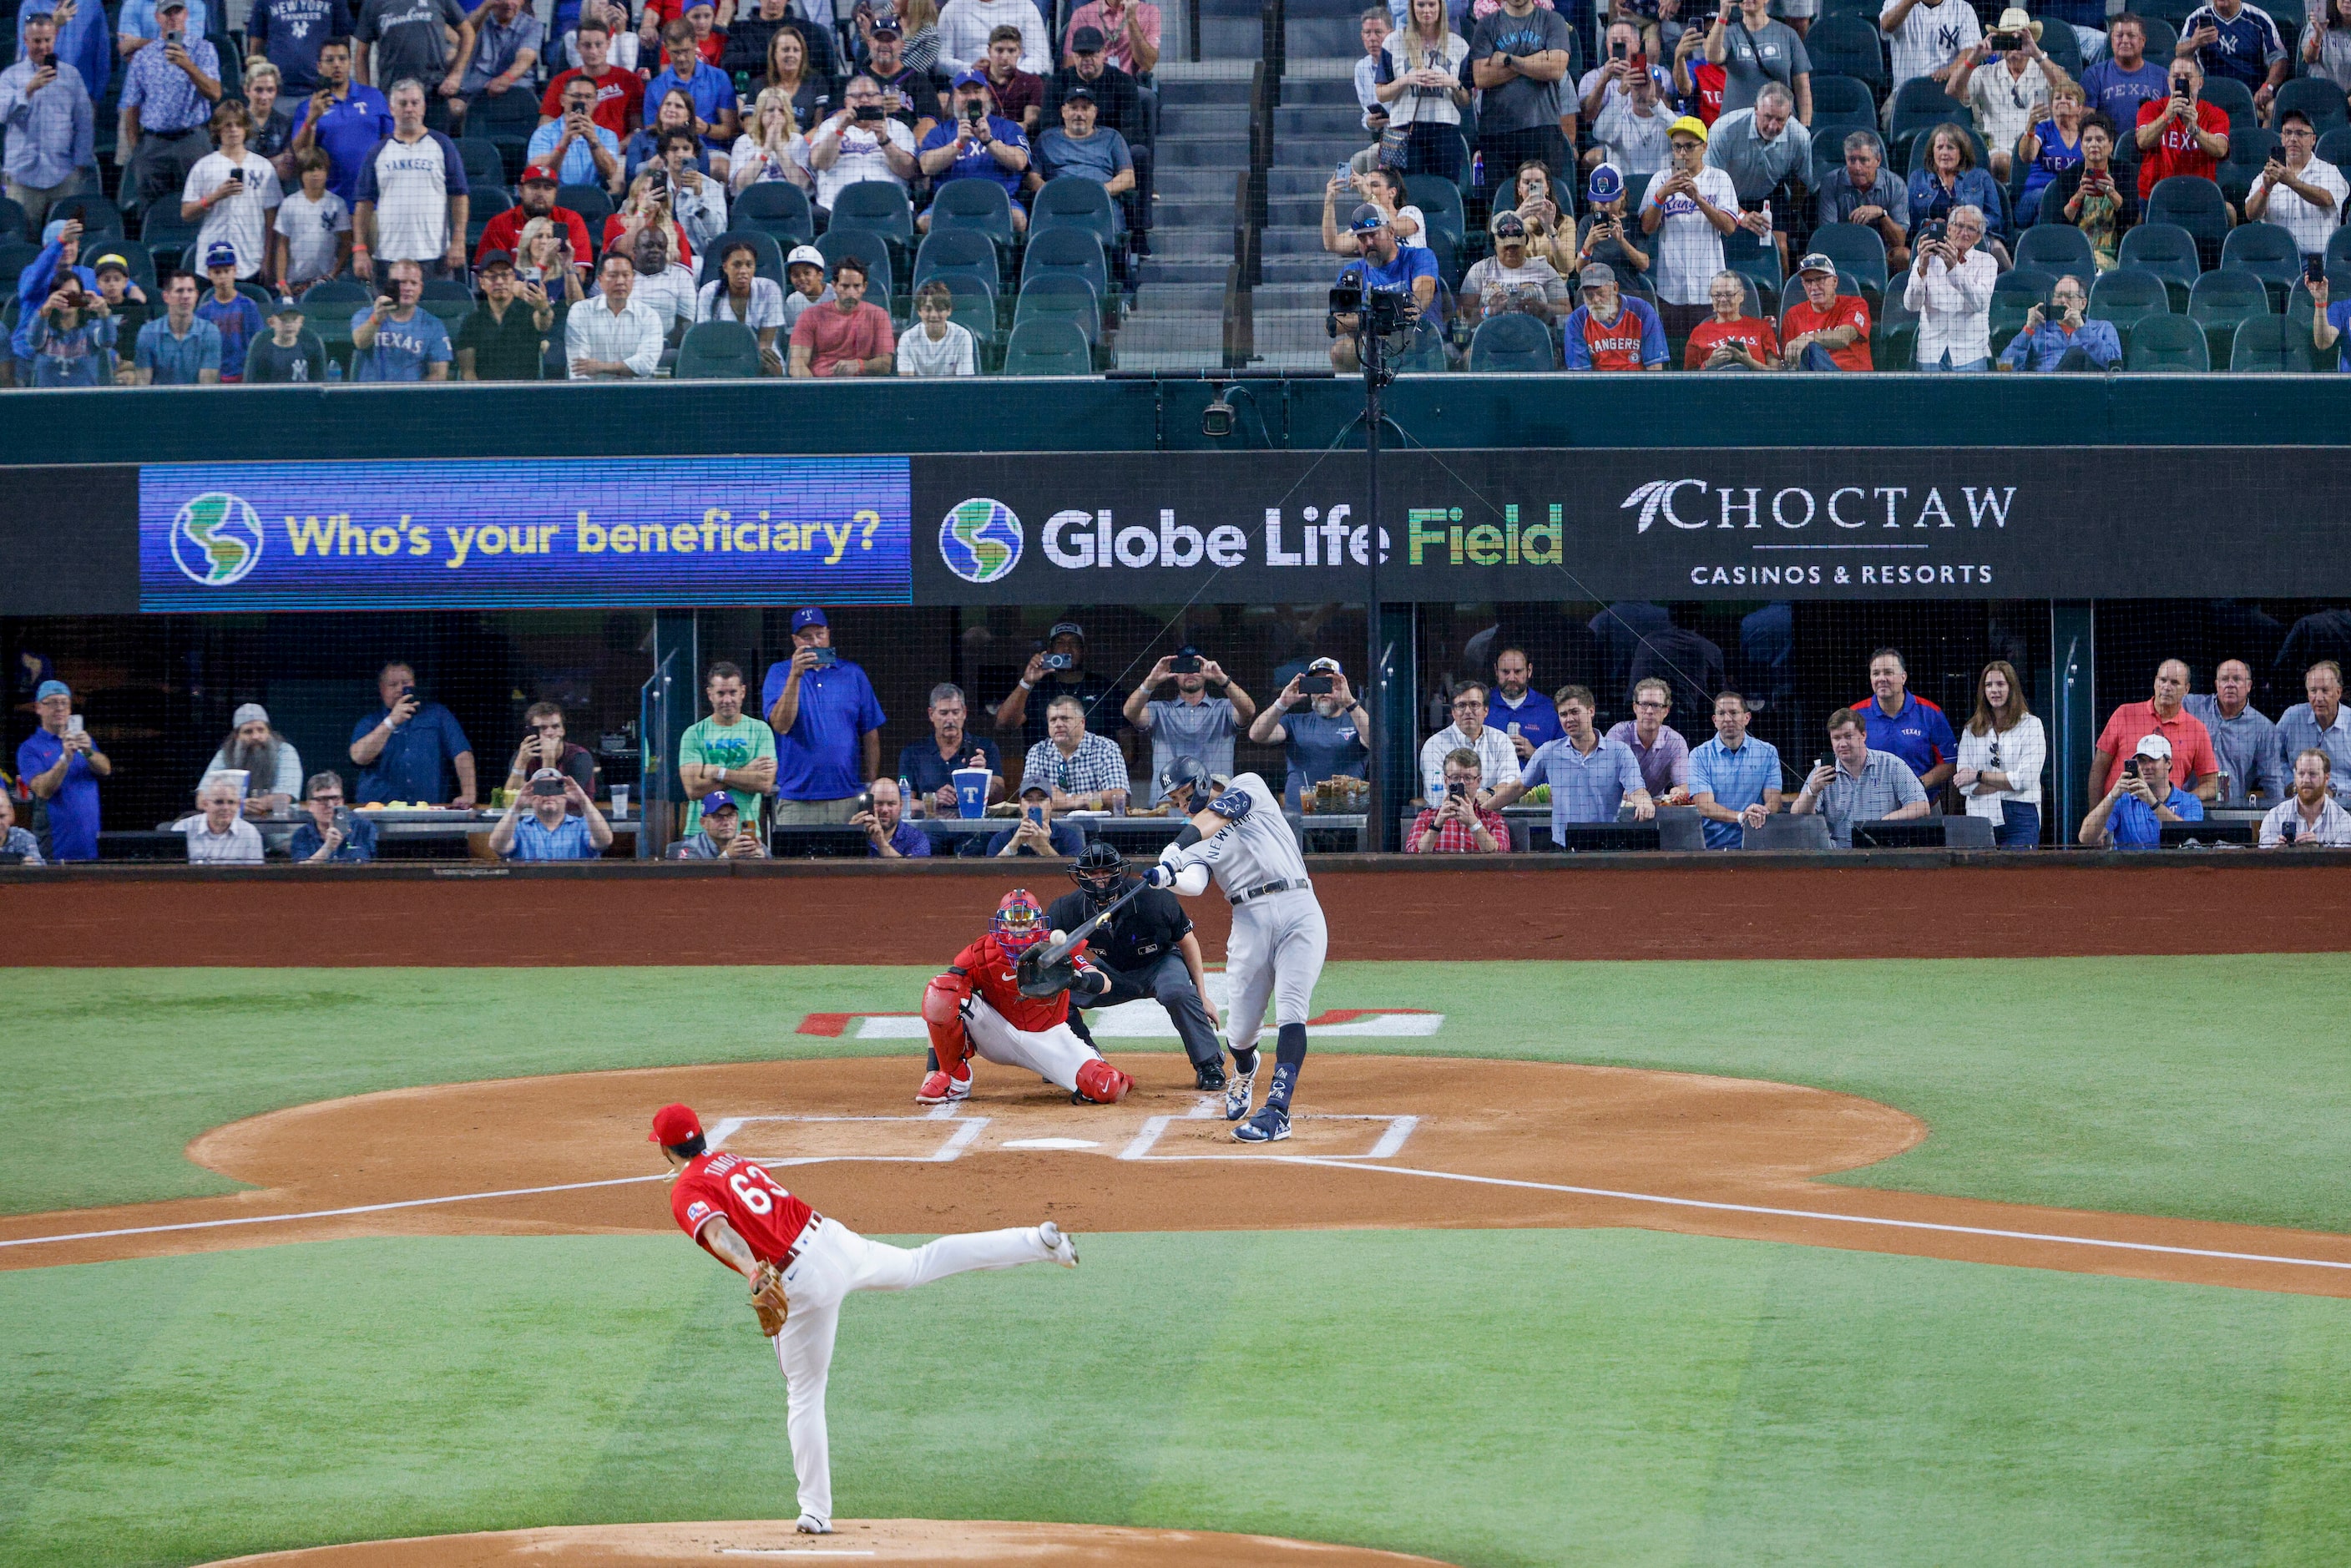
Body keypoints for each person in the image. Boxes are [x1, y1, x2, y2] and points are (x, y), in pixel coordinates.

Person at [654, 1100, 1080, 1540]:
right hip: (834, 1240)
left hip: (801, 1278)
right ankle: (1035, 1241)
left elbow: (718, 1231)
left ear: (666, 1150)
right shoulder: (731, 1160)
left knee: (804, 1394)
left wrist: (752, 1271)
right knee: (920, 1263)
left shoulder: (686, 1189)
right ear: (702, 1136)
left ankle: (815, 1510)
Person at [1140, 757, 1325, 1144]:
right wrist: (1168, 877)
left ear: (1204, 782)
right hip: (1249, 921)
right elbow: (1194, 881)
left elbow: (1221, 812)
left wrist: (1176, 846)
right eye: (1174, 799)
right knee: (1240, 1034)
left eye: (1185, 793)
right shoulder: (1195, 840)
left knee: (1292, 1010)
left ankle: (1277, 1111)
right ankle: (1245, 1067)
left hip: (1298, 906)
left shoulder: (1249, 786)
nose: (1181, 803)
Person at [1048, 841, 1225, 1088]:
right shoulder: (1066, 910)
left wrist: (1202, 996)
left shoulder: (1153, 898)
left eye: (1106, 872)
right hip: (1113, 972)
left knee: (1177, 992)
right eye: (1093, 873)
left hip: (1160, 964)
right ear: (1082, 876)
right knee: (1056, 994)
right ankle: (1080, 1058)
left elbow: (1188, 942)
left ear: (1118, 872)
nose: (1100, 879)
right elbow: (1050, 957)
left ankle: (1209, 1063)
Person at [757, 607, 885, 824]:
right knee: (792, 858)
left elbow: (870, 734)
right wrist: (795, 676)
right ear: (795, 640)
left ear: (828, 633)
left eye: (820, 634)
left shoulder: (853, 674)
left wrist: (871, 787)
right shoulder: (779, 673)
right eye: (807, 637)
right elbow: (781, 725)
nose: (815, 642)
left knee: (849, 858)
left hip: (848, 798)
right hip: (796, 800)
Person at [1485, 685, 1656, 837]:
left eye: (1575, 712)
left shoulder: (1620, 752)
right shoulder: (1548, 751)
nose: (1569, 719)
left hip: (1606, 842)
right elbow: (1519, 787)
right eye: (1563, 714)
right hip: (1563, 848)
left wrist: (1644, 802)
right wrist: (1481, 810)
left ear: (1591, 711)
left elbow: (1636, 789)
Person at [350, 78, 470, 281]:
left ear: (423, 107)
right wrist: (360, 248)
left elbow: (459, 196)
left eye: (415, 103)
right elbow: (363, 204)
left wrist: (458, 241)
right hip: (389, 256)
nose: (409, 109)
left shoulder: (442, 145)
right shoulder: (377, 152)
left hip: (435, 255)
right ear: (391, 108)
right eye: (403, 103)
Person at [116, 0, 222, 220]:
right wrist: (139, 153)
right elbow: (132, 107)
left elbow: (214, 93)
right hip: (154, 145)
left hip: (192, 140)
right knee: (151, 214)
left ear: (186, 15)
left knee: (200, 208)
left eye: (177, 11)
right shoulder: (144, 57)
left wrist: (188, 66)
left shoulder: (203, 50)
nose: (172, 17)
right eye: (167, 13)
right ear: (158, 18)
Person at [1638, 114, 1740, 339]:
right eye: (1677, 147)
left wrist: (1699, 199)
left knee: (1708, 352)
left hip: (1710, 286)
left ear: (1704, 147)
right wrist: (1661, 195)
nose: (1682, 153)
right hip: (1671, 286)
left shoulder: (1719, 179)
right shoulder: (1660, 179)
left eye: (1689, 146)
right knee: (1675, 356)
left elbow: (1730, 227)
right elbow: (1647, 227)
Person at [1944, 10, 2071, 184]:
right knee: (2000, 162)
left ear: (2030, 39)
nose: (2013, 46)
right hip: (1999, 153)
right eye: (2007, 39)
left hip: (2040, 150)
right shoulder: (1986, 74)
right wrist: (1974, 56)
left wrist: (2036, 53)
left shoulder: (2045, 69)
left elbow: (2070, 90)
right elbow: (1952, 90)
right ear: (2000, 42)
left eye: (2018, 40)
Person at [1124, 645, 1256, 806]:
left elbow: (1249, 711)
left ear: (1206, 673)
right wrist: (1151, 681)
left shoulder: (1224, 708)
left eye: (1196, 667)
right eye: (1183, 667)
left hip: (1216, 807)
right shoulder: (1159, 710)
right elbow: (1129, 713)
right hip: (1166, 807)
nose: (1190, 672)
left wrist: (1221, 678)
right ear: (1174, 675)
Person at [0, 13, 96, 230]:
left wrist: (80, 163)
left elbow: (84, 122)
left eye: (47, 40)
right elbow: (2, 114)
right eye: (36, 41)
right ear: (26, 41)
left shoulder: (71, 76)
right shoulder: (10, 77)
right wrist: (29, 89)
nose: (43, 47)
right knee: (25, 239)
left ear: (55, 38)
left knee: (64, 242)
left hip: (63, 175)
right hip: (23, 177)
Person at [1703, 83, 1812, 268]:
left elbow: (1802, 182)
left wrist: (1792, 214)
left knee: (1780, 249)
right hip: (1725, 194)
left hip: (1769, 194)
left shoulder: (1800, 137)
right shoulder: (1724, 129)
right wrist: (1740, 215)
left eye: (1780, 120)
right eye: (1768, 117)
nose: (1772, 126)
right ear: (1756, 109)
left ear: (1790, 117)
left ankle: (1781, 294)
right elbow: (1708, 183)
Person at [1790, 706, 1931, 847]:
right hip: (1837, 856)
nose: (1842, 744)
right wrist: (1812, 791)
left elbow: (1921, 806)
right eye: (1836, 738)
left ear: (1863, 735)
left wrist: (1883, 823)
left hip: (1883, 850)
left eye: (1848, 736)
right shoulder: (1822, 770)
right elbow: (1796, 813)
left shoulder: (1891, 764)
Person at [1467, 0, 1572, 185]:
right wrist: (1535, 60)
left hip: (1543, 127)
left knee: (1544, 203)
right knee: (1501, 206)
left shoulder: (1552, 21)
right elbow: (1482, 78)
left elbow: (1555, 70)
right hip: (1497, 132)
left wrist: (1508, 60)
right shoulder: (1486, 25)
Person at [1249, 658, 1372, 810]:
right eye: (1316, 685)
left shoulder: (1356, 720)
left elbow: (1374, 741)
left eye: (1329, 684)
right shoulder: (1295, 722)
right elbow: (1257, 735)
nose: (1323, 692)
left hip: (1347, 815)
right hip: (1299, 816)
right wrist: (1282, 703)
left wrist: (1349, 701)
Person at [915, 69, 1029, 231]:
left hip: (999, 201)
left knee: (1017, 219)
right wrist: (958, 144)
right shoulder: (940, 132)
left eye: (977, 91)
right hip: (950, 203)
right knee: (925, 222)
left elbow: (1020, 162)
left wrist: (988, 141)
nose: (972, 97)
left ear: (988, 95)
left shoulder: (1007, 127)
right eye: (964, 92)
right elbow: (926, 166)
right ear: (954, 97)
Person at [2091, 656, 2221, 798]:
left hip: (2163, 816)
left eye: (2174, 682)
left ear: (2186, 689)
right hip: (2118, 813)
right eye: (2162, 680)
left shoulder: (2196, 729)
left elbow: (2212, 784)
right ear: (2155, 682)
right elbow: (2098, 769)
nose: (2166, 687)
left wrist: (2182, 802)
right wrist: (2097, 813)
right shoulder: (2124, 714)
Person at [349, 660, 475, 806]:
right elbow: (358, 757)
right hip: (379, 810)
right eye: (393, 685)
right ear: (382, 689)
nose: (400, 689)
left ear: (414, 684)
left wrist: (469, 794)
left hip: (427, 810)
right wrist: (391, 722)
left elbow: (462, 754)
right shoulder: (370, 722)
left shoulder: (438, 715)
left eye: (405, 683)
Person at [288, 37, 392, 207]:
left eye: (342, 59)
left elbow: (390, 140)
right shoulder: (307, 107)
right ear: (319, 67)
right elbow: (301, 153)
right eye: (330, 60)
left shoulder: (374, 96)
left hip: (373, 201)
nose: (337, 64)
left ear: (350, 63)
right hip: (330, 204)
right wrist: (312, 118)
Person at [678, 660, 776, 838]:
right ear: (710, 694)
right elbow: (693, 790)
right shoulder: (693, 734)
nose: (727, 700)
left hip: (745, 829)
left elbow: (764, 783)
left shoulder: (761, 730)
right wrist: (745, 773)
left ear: (743, 692)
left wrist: (717, 772)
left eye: (733, 692)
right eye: (721, 693)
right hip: (699, 832)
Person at [1374, 0, 1470, 180]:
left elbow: (1465, 99)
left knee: (1446, 187)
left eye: (1432, 5)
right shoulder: (1393, 41)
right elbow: (1381, 93)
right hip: (1403, 127)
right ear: (1412, 8)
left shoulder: (1459, 44)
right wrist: (1406, 79)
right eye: (1421, 5)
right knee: (1404, 189)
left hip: (1444, 128)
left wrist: (1451, 82)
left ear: (1441, 7)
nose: (1426, 10)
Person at [1954, 659, 2045, 847]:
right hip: (1980, 816)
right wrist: (2008, 782)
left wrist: (1979, 776)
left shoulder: (2032, 725)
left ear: (2012, 688)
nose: (1994, 690)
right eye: (1989, 685)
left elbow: (2026, 780)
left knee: (2018, 875)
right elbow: (1964, 786)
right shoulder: (1971, 730)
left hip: (2021, 816)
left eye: (2000, 684)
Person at [994, 619, 1123, 750]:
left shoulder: (1105, 688)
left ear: (1084, 651)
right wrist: (1027, 682)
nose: (1067, 648)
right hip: (1043, 769)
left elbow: (1129, 745)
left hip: (1095, 769)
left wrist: (1109, 769)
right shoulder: (1036, 689)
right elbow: (1003, 725)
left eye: (1074, 643)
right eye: (1060, 643)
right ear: (1049, 651)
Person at [17, 677, 109, 861]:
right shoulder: (30, 748)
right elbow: (42, 789)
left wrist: (88, 751)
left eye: (64, 703)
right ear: (38, 708)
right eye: (52, 703)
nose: (59, 708)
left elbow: (105, 769)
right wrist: (64, 759)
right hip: (56, 842)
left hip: (90, 839)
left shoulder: (83, 740)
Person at [801, 75, 920, 216]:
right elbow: (819, 163)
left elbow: (909, 171)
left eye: (870, 95)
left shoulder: (898, 128)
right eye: (857, 96)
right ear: (846, 102)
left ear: (880, 99)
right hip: (833, 209)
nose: (864, 100)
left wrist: (885, 141)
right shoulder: (831, 125)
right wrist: (840, 129)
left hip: (888, 210)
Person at [1847, 647, 1957, 792]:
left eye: (1888, 672)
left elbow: (1950, 762)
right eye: (1876, 673)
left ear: (1903, 677)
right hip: (1871, 806)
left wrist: (1916, 786)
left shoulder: (1931, 713)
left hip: (1924, 806)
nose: (1881, 679)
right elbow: (1844, 759)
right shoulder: (1854, 715)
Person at [1903, 199, 1993, 371]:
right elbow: (1911, 305)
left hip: (1970, 353)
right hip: (1931, 352)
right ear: (1949, 229)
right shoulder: (1925, 259)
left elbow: (1979, 304)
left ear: (1978, 238)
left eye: (1971, 229)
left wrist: (1953, 267)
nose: (1964, 233)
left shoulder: (1987, 262)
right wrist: (1922, 268)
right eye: (1959, 226)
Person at [1686, 689, 1782, 847]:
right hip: (1711, 848)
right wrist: (1740, 817)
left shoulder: (1767, 752)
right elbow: (1705, 805)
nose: (1728, 719)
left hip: (1756, 846)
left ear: (1747, 717)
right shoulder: (1698, 755)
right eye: (1722, 714)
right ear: (1714, 720)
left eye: (1734, 713)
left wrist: (1759, 813)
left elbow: (1774, 801)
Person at [2246, 109, 2343, 264]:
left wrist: (2292, 182)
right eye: (2288, 133)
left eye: (2300, 133)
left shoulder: (2329, 171)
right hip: (2276, 261)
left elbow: (2327, 199)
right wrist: (2266, 188)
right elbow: (2251, 214)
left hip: (2318, 261)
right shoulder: (2268, 174)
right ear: (2282, 138)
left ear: (2313, 139)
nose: (2293, 139)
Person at [2184, 658, 2284, 807]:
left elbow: (2272, 779)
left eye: (2237, 679)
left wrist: (2282, 815)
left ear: (2249, 686)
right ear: (2216, 685)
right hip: (2186, 807)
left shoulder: (2263, 728)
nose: (2230, 684)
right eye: (2224, 679)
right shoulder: (2189, 707)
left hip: (2231, 812)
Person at [2078, 732, 2201, 847]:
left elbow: (2188, 837)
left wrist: (2152, 802)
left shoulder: (2190, 801)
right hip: (2129, 868)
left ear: (2168, 763)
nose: (2147, 767)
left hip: (2175, 869)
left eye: (2153, 760)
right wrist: (2112, 796)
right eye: (2142, 761)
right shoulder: (2123, 801)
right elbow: (2086, 838)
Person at [2135, 56, 2228, 205]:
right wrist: (2166, 117)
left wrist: (2194, 129)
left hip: (2200, 195)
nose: (2182, 81)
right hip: (2155, 195)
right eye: (2176, 76)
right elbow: (2142, 142)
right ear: (2168, 81)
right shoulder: (2151, 109)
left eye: (2189, 77)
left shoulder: (2216, 114)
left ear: (2201, 82)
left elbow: (2221, 150)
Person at [897, 683, 1002, 814]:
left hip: (976, 829)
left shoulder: (986, 747)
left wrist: (982, 777)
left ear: (964, 713)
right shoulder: (913, 753)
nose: (950, 719)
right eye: (944, 713)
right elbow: (903, 803)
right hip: (930, 831)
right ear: (931, 714)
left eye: (955, 712)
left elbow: (999, 798)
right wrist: (932, 801)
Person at [2048, 112, 2134, 268]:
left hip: (2115, 257)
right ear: (2081, 146)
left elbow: (2134, 219)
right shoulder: (2068, 177)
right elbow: (2057, 226)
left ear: (2111, 145)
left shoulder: (2124, 172)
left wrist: (2112, 193)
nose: (2094, 144)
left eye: (2100, 139)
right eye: (2088, 140)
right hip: (2076, 258)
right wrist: (2079, 195)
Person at [1705, 0, 1811, 123]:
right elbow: (1712, 57)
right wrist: (1723, 15)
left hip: (1778, 125)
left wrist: (1805, 126)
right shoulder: (1729, 33)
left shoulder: (1788, 35)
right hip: (1737, 125)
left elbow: (1803, 88)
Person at [1019, 692, 1130, 809]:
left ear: (1082, 722)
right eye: (1053, 720)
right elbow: (1032, 800)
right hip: (1051, 826)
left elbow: (1118, 796)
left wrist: (1062, 800)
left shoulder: (1107, 748)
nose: (1058, 724)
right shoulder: (1037, 752)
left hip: (1098, 825)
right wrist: (1081, 801)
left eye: (1065, 719)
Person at [788, 256, 893, 376]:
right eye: (845, 286)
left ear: (864, 286)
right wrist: (814, 390)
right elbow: (797, 364)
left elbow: (885, 364)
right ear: (834, 286)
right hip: (822, 385)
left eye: (857, 286)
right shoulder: (809, 316)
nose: (850, 293)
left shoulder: (879, 315)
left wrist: (860, 365)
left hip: (863, 388)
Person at [1460, 210, 1570, 325]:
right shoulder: (1479, 270)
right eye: (1506, 246)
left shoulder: (1544, 269)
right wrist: (1489, 310)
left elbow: (1567, 311)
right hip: (1491, 337)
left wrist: (1545, 309)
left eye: (1516, 246)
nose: (1511, 250)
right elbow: (1463, 315)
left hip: (1534, 336)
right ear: (1495, 244)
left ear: (1525, 242)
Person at [538, 18, 641, 140]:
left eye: (598, 45)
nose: (593, 51)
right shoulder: (561, 81)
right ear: (577, 47)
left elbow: (638, 129)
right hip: (572, 151)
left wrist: (615, 149)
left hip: (617, 154)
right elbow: (545, 127)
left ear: (608, 44)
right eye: (587, 45)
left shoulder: (629, 80)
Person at [1818, 134, 1908, 271]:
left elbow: (1899, 241)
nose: (1857, 167)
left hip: (1883, 254)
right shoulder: (1831, 182)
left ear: (1878, 160)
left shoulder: (1896, 185)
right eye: (1852, 160)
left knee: (1903, 256)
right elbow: (1828, 235)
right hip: (1843, 252)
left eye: (1864, 160)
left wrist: (1881, 214)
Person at [454, 250, 551, 378]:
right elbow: (468, 372)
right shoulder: (472, 321)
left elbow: (544, 324)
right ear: (482, 282)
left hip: (525, 393)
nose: (499, 281)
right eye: (493, 276)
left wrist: (543, 308)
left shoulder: (529, 312)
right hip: (486, 393)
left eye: (505, 275)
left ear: (514, 278)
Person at [1030, 83, 1130, 209]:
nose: (1079, 114)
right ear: (1063, 112)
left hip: (1100, 204)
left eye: (1085, 108)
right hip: (1058, 205)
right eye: (1073, 108)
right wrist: (1054, 194)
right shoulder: (1045, 139)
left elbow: (1128, 177)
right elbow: (1032, 178)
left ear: (1095, 112)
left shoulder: (1112, 137)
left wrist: (1097, 192)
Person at [566, 248, 663, 376]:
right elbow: (578, 368)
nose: (620, 281)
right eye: (613, 275)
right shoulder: (580, 311)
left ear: (633, 278)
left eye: (626, 275)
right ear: (600, 281)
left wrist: (601, 367)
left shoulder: (649, 316)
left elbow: (646, 365)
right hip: (592, 393)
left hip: (636, 393)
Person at [451, 0, 542, 135]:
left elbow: (526, 57)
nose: (510, 3)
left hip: (515, 94)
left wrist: (507, 78)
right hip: (473, 94)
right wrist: (486, 6)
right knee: (452, 109)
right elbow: (464, 34)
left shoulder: (533, 25)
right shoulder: (479, 19)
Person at [1419, 681, 1521, 802]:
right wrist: (1486, 797)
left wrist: (1488, 793)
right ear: (1453, 712)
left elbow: (1512, 786)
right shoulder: (1434, 745)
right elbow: (1437, 795)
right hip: (1448, 817)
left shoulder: (1501, 740)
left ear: (1486, 710)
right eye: (1461, 705)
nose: (1468, 711)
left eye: (1474, 704)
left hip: (1494, 816)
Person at [350, 255, 450, 377]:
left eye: (413, 283)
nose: (408, 288)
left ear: (421, 288)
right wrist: (377, 318)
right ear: (389, 286)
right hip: (370, 394)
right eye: (402, 282)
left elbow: (439, 374)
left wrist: (415, 396)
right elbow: (360, 343)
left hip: (412, 394)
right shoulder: (365, 314)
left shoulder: (433, 325)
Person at [1996, 271, 2120, 370]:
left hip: (2091, 390)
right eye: (2058, 296)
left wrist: (2083, 330)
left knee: (2076, 354)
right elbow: (2004, 367)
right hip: (2047, 392)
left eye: (2069, 296)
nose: (2063, 301)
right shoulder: (2039, 330)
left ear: (2083, 303)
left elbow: (2115, 366)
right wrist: (2028, 330)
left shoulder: (2104, 328)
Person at [353, 0, 469, 104]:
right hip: (394, 95)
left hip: (434, 92)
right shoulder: (373, 3)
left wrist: (456, 75)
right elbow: (361, 54)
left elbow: (468, 34)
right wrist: (367, 96)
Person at [2178, 0, 2288, 109]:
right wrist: (2195, 42)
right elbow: (2179, 52)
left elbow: (2280, 59)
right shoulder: (2197, 18)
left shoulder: (2260, 19)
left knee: (2271, 108)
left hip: (2253, 96)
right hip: (2211, 94)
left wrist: (2268, 87)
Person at [526, 73, 626, 190]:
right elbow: (540, 174)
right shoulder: (543, 133)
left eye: (588, 97)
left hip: (591, 200)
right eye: (576, 96)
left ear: (596, 102)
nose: (582, 102)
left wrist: (593, 140)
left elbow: (610, 172)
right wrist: (564, 144)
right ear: (563, 100)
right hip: (555, 199)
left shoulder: (607, 135)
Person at [1561, 260, 1669, 369]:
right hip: (1596, 385)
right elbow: (1581, 376)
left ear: (1615, 288)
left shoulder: (1643, 311)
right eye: (1589, 295)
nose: (1596, 300)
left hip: (1638, 384)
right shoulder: (1577, 321)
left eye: (1600, 293)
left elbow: (1654, 368)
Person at [201, 701, 304, 813]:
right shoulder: (225, 755)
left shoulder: (285, 752)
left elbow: (282, 800)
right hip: (234, 823)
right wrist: (238, 806)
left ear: (269, 732)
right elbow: (202, 800)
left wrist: (235, 804)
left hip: (280, 824)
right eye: (248, 732)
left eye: (261, 730)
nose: (255, 736)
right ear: (236, 736)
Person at [274, 145, 352, 289]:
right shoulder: (289, 204)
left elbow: (347, 242)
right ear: (301, 174)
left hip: (325, 282)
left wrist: (332, 274)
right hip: (295, 281)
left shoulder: (337, 204)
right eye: (310, 170)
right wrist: (281, 281)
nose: (315, 174)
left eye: (320, 169)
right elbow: (282, 245)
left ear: (327, 173)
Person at [492, 767, 614, 859]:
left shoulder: (583, 826)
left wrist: (584, 802)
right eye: (542, 788)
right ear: (532, 795)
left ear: (565, 794)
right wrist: (517, 807)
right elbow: (498, 846)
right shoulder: (518, 829)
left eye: (555, 787)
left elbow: (604, 841)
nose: (549, 794)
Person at [2273, 660, 2351, 804]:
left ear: (2338, 692)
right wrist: (2292, 783)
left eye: (2325, 691)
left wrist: (2334, 791)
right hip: (2297, 803)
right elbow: (2273, 757)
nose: (2319, 698)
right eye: (2313, 691)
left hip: (2344, 806)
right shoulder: (2292, 717)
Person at [1781, 249, 1872, 369]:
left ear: (1834, 282)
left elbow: (1843, 337)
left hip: (1852, 382)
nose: (1814, 287)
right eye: (1808, 281)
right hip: (1812, 384)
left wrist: (1809, 338)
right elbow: (1789, 360)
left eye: (1820, 279)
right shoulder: (1793, 315)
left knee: (1811, 348)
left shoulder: (1854, 304)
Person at [1603, 677, 1691, 802]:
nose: (1649, 711)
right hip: (1616, 807)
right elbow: (1605, 779)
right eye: (1644, 704)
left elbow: (1684, 783)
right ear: (1635, 708)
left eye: (1656, 705)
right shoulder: (1618, 734)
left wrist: (1680, 792)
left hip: (1656, 811)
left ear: (1666, 711)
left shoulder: (1675, 741)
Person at [1407, 747, 1509, 852]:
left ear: (1478, 782)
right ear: (1446, 781)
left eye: (1468, 778)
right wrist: (1436, 826)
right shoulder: (1425, 818)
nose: (1462, 783)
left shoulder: (1494, 820)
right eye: (1455, 778)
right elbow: (1411, 858)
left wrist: (1474, 823)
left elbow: (1502, 858)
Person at [1591, 50, 1672, 183]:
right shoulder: (1618, 119)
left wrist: (1654, 103)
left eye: (1646, 84)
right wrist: (1620, 93)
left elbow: (1684, 135)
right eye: (1637, 84)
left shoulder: (1668, 120)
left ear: (1661, 90)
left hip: (1662, 195)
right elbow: (1599, 133)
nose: (1642, 91)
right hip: (1624, 196)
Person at [249, 0, 357, 98]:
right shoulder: (264, 2)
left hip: (322, 91)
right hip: (277, 91)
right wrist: (255, 83)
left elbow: (343, 42)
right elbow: (256, 44)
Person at [22, 268, 114, 383]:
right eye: (62, 295)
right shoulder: (43, 326)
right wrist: (44, 311)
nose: (68, 300)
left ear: (82, 296)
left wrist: (104, 313)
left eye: (73, 295)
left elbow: (108, 341)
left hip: (84, 397)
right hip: (47, 398)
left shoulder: (92, 327)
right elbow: (34, 341)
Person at [132, 270, 222, 382]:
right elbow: (143, 385)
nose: (185, 296)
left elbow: (207, 388)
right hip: (158, 400)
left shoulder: (210, 332)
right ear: (166, 297)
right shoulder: (147, 332)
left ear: (196, 295)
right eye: (179, 291)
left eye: (190, 291)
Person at [1881, 0, 1980, 103]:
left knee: (1977, 112)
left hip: (1949, 93)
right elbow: (1887, 25)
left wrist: (1950, 70)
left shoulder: (1963, 8)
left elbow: (1971, 51)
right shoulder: (1895, 1)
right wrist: (1909, 2)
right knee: (1888, 115)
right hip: (1904, 95)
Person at [194, 240, 265, 380]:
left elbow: (257, 344)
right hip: (214, 378)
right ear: (209, 274)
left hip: (244, 376)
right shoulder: (203, 312)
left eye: (227, 271)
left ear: (235, 271)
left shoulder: (248, 306)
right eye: (217, 272)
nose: (223, 277)